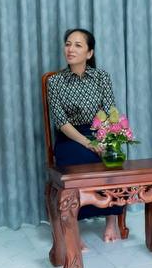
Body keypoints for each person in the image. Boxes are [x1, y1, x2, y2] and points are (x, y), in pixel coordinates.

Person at [47, 27, 127, 238]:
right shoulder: (55, 82)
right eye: (68, 44)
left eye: (77, 45)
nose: (70, 49)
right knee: (79, 158)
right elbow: (62, 123)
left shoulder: (102, 77)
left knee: (112, 158)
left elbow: (110, 112)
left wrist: (106, 140)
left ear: (89, 53)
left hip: (100, 131)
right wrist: (89, 143)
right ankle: (74, 227)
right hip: (70, 136)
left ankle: (111, 220)